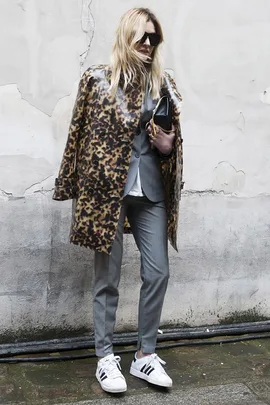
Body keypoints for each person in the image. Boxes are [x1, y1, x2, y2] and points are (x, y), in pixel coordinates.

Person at [53, 7, 183, 394]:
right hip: (108, 192)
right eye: (141, 36)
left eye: (153, 38)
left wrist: (168, 145)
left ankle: (144, 356)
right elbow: (77, 133)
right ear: (126, 36)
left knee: (157, 272)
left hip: (152, 191)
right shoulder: (97, 79)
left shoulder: (165, 83)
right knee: (107, 278)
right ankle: (105, 357)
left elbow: (174, 140)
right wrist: (70, 185)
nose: (147, 43)